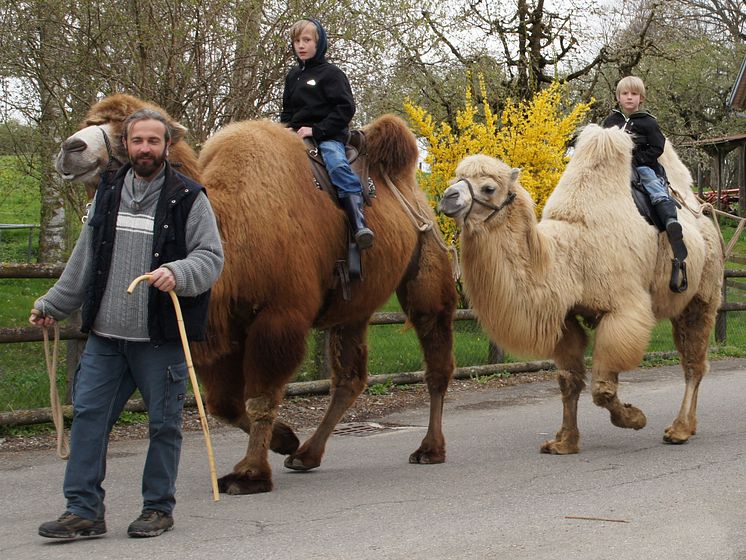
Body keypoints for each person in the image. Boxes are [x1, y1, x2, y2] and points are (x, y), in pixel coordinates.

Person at [31, 108, 224, 539]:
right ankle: (82, 511)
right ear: (126, 146)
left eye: (153, 142)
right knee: (89, 418)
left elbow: (210, 259)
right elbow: (86, 256)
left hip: (159, 340)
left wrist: (179, 272)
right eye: (137, 141)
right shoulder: (108, 193)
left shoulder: (190, 198)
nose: (145, 149)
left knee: (163, 425)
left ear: (167, 147)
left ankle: (157, 508)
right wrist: (54, 303)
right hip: (106, 339)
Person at [280, 17, 374, 250]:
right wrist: (285, 131)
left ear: (319, 43)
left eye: (307, 40)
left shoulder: (331, 74)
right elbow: (287, 111)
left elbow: (345, 108)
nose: (301, 45)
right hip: (296, 136)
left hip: (328, 136)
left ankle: (358, 222)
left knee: (335, 164)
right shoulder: (292, 76)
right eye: (296, 41)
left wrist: (317, 130)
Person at [602, 75, 688, 292]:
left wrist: (639, 159)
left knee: (652, 184)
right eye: (625, 94)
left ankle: (669, 219)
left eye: (634, 94)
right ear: (618, 97)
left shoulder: (647, 122)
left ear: (641, 98)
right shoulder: (611, 121)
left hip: (642, 165)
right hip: (615, 167)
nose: (629, 97)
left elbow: (657, 146)